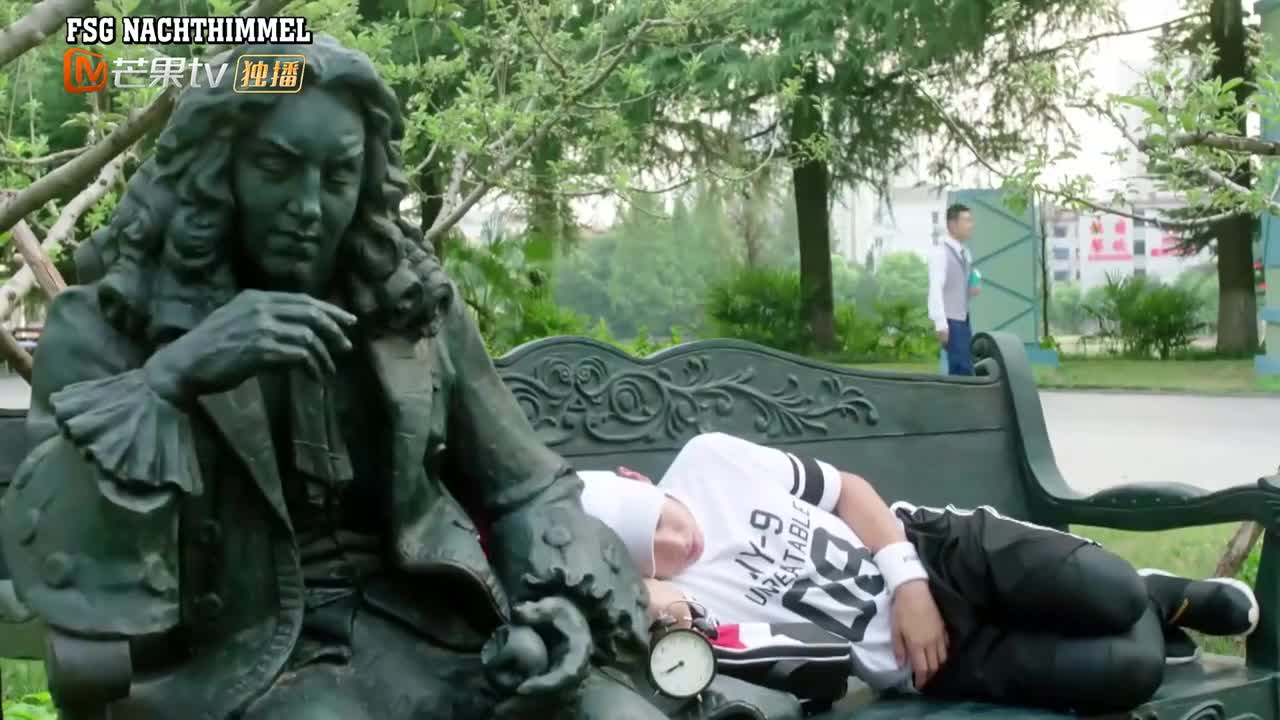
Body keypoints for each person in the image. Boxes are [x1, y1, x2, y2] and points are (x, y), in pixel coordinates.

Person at [0, 36, 665, 720]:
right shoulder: (111, 323)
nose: (309, 207)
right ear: (215, 167)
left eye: (340, 175)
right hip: (239, 662)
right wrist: (175, 376)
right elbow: (60, 548)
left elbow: (527, 489)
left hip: (447, 639)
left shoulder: (411, 306)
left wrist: (559, 603)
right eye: (276, 167)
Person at [578, 432, 1259, 715]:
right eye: (655, 553)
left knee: (1113, 592)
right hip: (925, 660)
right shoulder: (679, 615)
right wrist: (677, 613)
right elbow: (816, 672)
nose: (680, 541)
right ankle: (1151, 612)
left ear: (639, 479)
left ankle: (1153, 591)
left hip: (936, 555)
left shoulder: (709, 462)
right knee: (1132, 670)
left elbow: (849, 493)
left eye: (662, 516)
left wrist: (908, 583)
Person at [928, 204, 980, 376]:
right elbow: (936, 288)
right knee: (961, 369)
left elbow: (959, 287)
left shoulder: (966, 254)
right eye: (967, 220)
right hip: (951, 320)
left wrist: (972, 288)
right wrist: (940, 323)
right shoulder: (940, 252)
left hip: (964, 319)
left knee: (965, 367)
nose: (971, 225)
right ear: (952, 224)